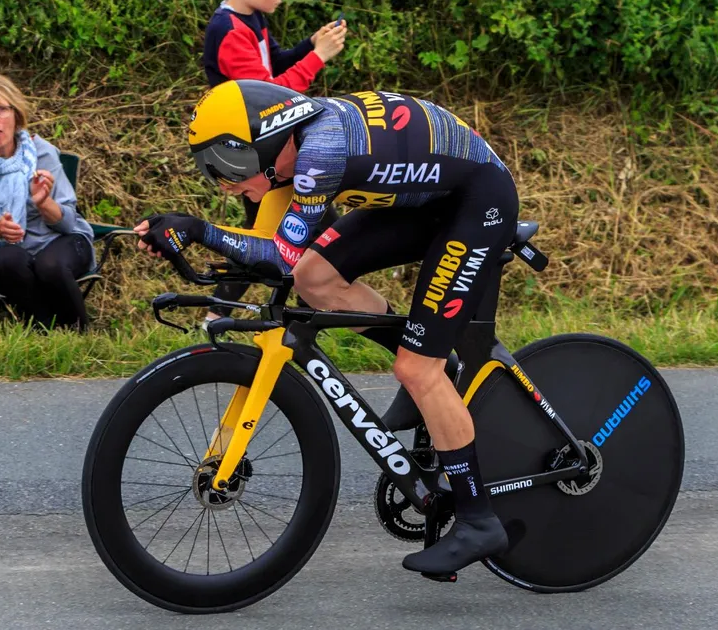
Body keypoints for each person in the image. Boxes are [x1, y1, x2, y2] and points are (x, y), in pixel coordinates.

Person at [136, 79, 519, 576]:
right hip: (423, 202)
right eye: (213, 171)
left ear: (271, 140)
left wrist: (198, 230)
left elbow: (272, 256)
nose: (227, 185)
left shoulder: (321, 152)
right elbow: (272, 256)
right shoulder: (291, 156)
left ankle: (477, 519)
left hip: (477, 202)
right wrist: (182, 238)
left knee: (415, 370)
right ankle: (437, 359)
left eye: (230, 167)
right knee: (313, 276)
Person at [201, 0, 347, 317]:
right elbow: (273, 99)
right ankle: (231, 316)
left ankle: (235, 314)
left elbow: (275, 64)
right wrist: (318, 57)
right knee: (313, 228)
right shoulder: (229, 31)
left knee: (280, 230)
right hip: (255, 151)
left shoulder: (251, 19)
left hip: (267, 148)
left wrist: (307, 45)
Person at [0, 74, 95, 331]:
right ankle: (46, 332)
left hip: (58, 240)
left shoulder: (41, 152)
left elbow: (69, 222)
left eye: (2, 109)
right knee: (8, 258)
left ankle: (81, 334)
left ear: (16, 116)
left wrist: (44, 203)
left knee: (50, 265)